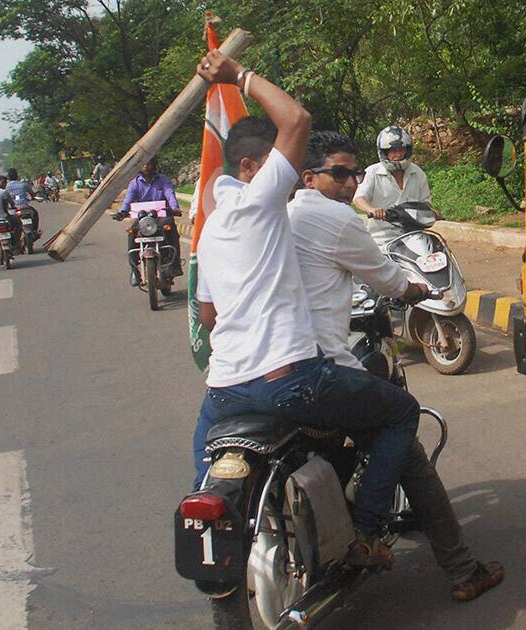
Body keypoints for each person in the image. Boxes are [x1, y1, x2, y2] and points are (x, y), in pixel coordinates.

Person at [191, 50, 421, 574]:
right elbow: (296, 118)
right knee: (400, 413)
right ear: (251, 167)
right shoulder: (261, 203)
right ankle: (364, 530)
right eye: (279, 164)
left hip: (222, 390)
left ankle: (220, 552)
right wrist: (238, 75)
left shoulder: (210, 231)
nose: (290, 173)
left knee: (204, 480)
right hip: (290, 378)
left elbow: (208, 315)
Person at [287, 130, 504, 600]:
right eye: (340, 174)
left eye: (354, 173)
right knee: (404, 428)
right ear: (309, 177)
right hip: (340, 334)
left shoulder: (275, 218)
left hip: (266, 371)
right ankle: (460, 570)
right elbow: (388, 280)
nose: (350, 183)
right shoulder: (340, 220)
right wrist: (416, 292)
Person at [352, 125, 441, 247]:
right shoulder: (372, 172)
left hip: (414, 238)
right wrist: (372, 210)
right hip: (382, 241)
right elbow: (358, 199)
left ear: (408, 150)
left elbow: (425, 203)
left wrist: (432, 212)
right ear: (384, 153)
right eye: (393, 151)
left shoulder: (418, 173)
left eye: (401, 149)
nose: (398, 154)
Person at [114, 157, 183, 284]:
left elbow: (170, 195)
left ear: (154, 165)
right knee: (132, 232)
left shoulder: (163, 180)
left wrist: (174, 208)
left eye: (149, 163)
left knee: (170, 227)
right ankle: (134, 270)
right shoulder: (134, 183)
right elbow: (128, 200)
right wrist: (122, 212)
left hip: (161, 216)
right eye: (143, 164)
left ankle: (174, 265)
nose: (146, 166)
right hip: (142, 219)